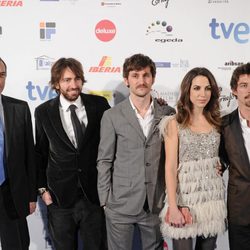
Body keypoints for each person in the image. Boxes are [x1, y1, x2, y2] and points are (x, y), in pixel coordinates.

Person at [97, 53, 175, 250]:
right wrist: (105, 200)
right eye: (135, 75)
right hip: (120, 204)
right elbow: (104, 160)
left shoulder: (168, 114)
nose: (141, 81)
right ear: (126, 80)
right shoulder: (111, 116)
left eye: (146, 75)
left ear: (153, 78)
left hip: (155, 202)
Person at [35, 57, 110, 250]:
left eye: (77, 79)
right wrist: (43, 191)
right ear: (57, 84)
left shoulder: (99, 105)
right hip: (60, 199)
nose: (73, 85)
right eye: (67, 80)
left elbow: (114, 144)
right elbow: (41, 154)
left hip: (93, 196)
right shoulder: (43, 112)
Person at [159, 67, 227, 250]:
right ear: (187, 90)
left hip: (212, 199)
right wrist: (173, 207)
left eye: (207, 88)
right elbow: (170, 167)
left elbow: (228, 152)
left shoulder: (218, 122)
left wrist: (223, 164)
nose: (202, 94)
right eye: (197, 88)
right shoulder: (174, 123)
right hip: (184, 198)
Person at [0, 58, 37, 250]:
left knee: (17, 245)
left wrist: (31, 195)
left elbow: (29, 156)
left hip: (11, 192)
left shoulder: (20, 108)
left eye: (1, 75)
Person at [220, 63, 250, 250]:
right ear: (234, 90)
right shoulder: (224, 125)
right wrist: (219, 164)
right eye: (244, 85)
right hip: (239, 211)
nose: (249, 90)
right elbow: (221, 159)